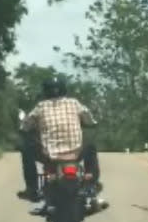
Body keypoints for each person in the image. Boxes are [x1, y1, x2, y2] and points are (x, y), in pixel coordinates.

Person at [17, 76, 108, 214]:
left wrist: (25, 128)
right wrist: (90, 123)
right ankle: (91, 182)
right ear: (64, 89)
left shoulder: (40, 107)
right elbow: (90, 120)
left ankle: (32, 188)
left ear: (45, 91)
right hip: (75, 153)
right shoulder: (74, 103)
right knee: (90, 147)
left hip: (50, 155)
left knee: (26, 149)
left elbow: (25, 126)